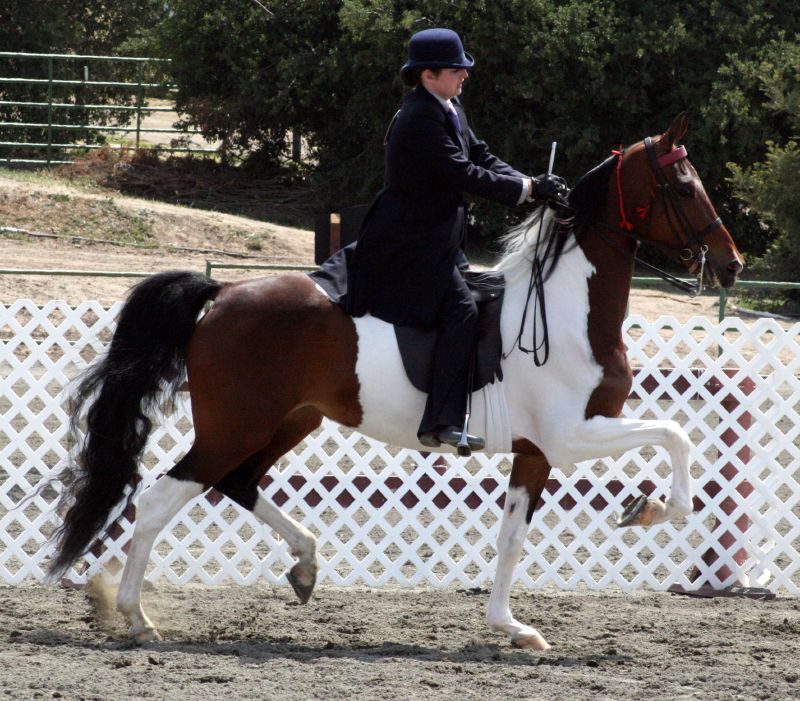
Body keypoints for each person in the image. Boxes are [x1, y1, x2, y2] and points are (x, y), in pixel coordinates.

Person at [315, 27, 567, 452]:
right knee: (463, 313)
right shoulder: (417, 119)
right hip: (410, 244)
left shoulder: (448, 106)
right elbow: (461, 173)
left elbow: (480, 155)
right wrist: (526, 190)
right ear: (428, 75)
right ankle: (440, 422)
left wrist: (530, 181)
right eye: (456, 70)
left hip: (440, 240)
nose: (464, 76)